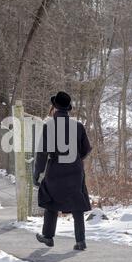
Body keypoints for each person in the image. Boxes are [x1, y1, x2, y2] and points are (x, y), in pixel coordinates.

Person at [33, 91, 92, 251]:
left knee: (51, 201)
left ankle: (48, 237)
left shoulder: (49, 126)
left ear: (54, 108)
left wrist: (37, 173)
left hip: (55, 172)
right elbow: (86, 149)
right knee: (77, 204)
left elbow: (42, 153)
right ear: (68, 109)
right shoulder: (78, 126)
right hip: (75, 170)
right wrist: (76, 159)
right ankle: (81, 241)